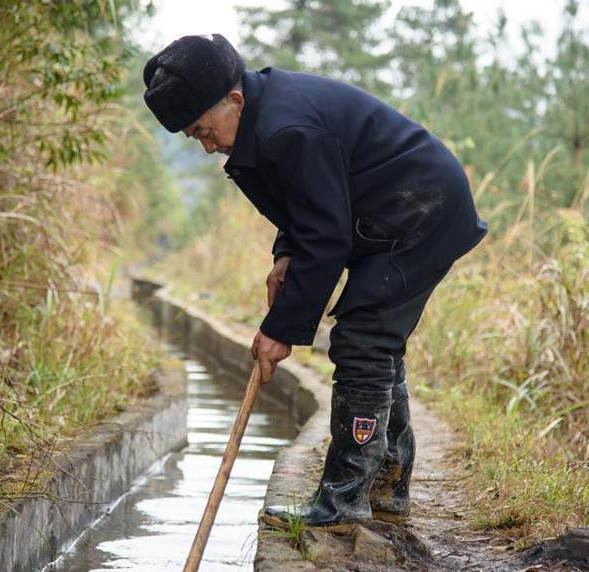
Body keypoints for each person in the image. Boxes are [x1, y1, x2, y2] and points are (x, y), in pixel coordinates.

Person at [143, 34, 487, 525]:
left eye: (203, 131)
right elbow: (304, 206)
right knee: (373, 342)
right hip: (382, 214)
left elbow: (326, 240)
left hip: (419, 211)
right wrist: (286, 253)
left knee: (364, 341)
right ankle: (386, 483)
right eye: (194, 138)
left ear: (234, 101)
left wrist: (280, 331)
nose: (206, 146)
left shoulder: (287, 127)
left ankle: (344, 500)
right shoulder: (262, 119)